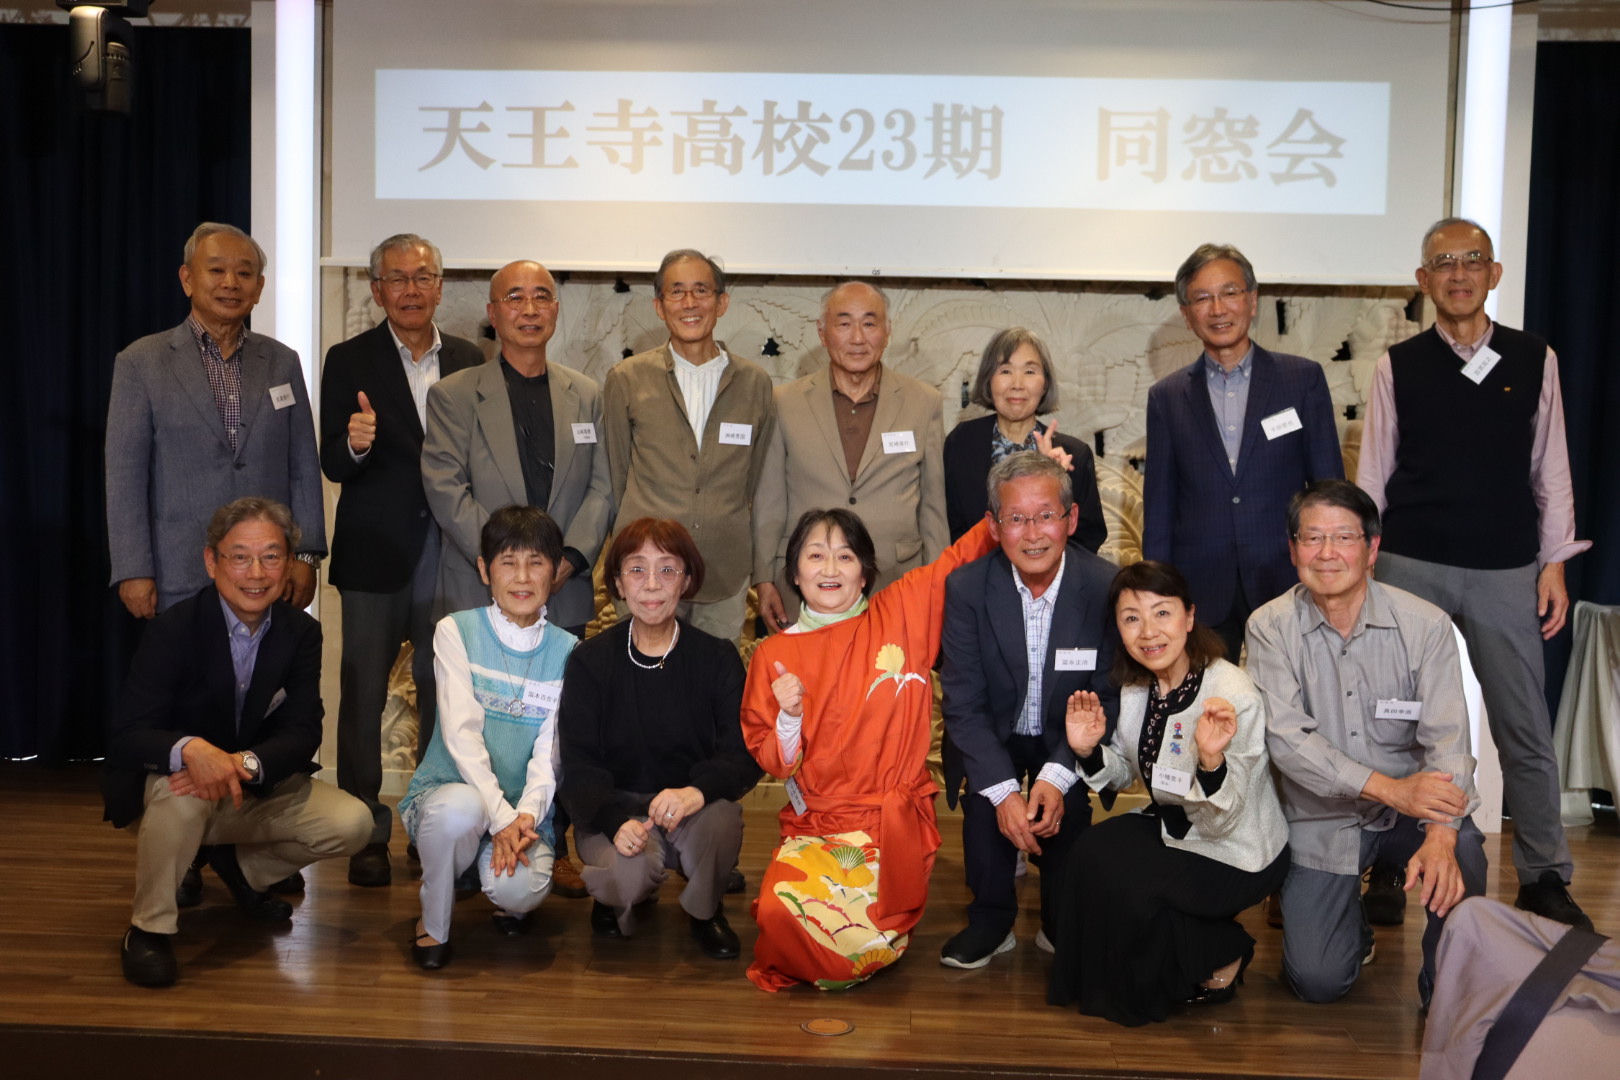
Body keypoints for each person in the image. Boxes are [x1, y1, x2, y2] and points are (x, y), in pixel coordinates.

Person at [1357, 218, 1591, 932]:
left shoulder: (1535, 356)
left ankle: (1544, 877)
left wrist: (1554, 563)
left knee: (1524, 727)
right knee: (1393, 724)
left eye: (1472, 261)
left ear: (1494, 273)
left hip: (1505, 564)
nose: (1458, 274)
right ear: (1423, 280)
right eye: (1443, 263)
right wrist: (1364, 566)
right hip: (1409, 562)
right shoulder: (1397, 365)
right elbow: (1374, 473)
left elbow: (1551, 468)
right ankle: (1388, 862)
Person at [104, 498, 371, 988]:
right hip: (176, 786)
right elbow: (127, 735)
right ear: (212, 561)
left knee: (354, 824)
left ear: (287, 565)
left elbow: (303, 729)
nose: (257, 572)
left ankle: (243, 872)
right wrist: (191, 750)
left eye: (271, 556)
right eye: (240, 557)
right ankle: (149, 929)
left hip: (251, 784)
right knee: (183, 796)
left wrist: (238, 763)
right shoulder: (173, 629)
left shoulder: (301, 632)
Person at [1247, 480, 1489, 1006]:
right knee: (1317, 981)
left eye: (1343, 537)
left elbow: (1449, 739)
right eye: (1312, 538)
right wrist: (1391, 789)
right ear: (1293, 550)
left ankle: (1446, 987)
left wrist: (1441, 833)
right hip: (1322, 815)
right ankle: (1351, 929)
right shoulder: (1269, 627)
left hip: (1410, 811)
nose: (1327, 553)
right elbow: (1288, 743)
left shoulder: (1425, 625)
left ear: (1372, 548)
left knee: (1465, 847)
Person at [422, 259, 614, 898]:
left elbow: (603, 488)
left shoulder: (587, 394)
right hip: (480, 584)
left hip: (565, 586)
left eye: (541, 297)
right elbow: (445, 487)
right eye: (515, 298)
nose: (529, 310)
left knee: (558, 730)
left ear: (556, 309)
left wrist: (565, 560)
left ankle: (548, 839)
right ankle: (462, 844)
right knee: (469, 722)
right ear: (493, 312)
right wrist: (511, 564)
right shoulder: (455, 394)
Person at [1049, 559, 1289, 1026]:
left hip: (1237, 848)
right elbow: (1125, 771)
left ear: (1189, 617)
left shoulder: (1232, 694)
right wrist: (1087, 750)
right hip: (1174, 825)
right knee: (1090, 852)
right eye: (1131, 618)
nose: (1148, 632)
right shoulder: (1139, 686)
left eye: (1162, 613)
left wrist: (1211, 761)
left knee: (1134, 887)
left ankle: (1224, 951)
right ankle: (1100, 981)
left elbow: (1222, 819)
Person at [319, 232, 482, 887]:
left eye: (423, 277)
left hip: (450, 553)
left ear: (439, 287)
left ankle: (433, 825)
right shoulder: (348, 359)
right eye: (397, 278)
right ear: (376, 288)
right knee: (363, 696)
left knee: (448, 697)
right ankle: (365, 832)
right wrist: (355, 444)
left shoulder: (470, 357)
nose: (411, 290)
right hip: (375, 556)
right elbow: (332, 460)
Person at [938, 451, 1118, 969]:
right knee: (985, 807)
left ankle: (1060, 921)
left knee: (1068, 810)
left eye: (1046, 515)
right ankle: (990, 923)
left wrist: (1057, 777)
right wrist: (1003, 794)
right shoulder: (967, 588)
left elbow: (1108, 692)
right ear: (994, 526)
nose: (1033, 533)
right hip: (993, 731)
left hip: (1068, 733)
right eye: (1016, 518)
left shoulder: (1105, 586)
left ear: (1072, 519)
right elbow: (964, 702)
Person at [557, 518, 761, 958]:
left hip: (689, 808)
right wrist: (614, 821)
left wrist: (695, 792)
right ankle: (619, 896)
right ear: (618, 582)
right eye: (637, 569)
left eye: (667, 569)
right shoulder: (590, 661)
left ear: (686, 580)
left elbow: (743, 752)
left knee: (723, 819)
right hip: (616, 807)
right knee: (624, 879)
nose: (652, 583)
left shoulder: (716, 657)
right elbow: (578, 765)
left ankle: (705, 910)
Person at [107, 222, 325, 618]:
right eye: (217, 270)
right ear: (187, 279)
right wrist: (133, 568)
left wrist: (306, 555)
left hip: (267, 572)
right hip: (178, 567)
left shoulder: (282, 361)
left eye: (244, 273)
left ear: (259, 288)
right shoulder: (141, 362)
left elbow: (303, 468)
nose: (231, 283)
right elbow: (125, 477)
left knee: (270, 660)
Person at [397, 505, 576, 971]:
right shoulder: (456, 631)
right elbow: (462, 735)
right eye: (507, 562)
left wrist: (523, 817)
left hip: (521, 811)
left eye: (536, 562)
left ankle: (504, 897)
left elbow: (549, 754)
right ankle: (433, 923)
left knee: (521, 891)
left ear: (555, 570)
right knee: (461, 808)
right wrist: (500, 817)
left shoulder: (569, 651)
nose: (523, 577)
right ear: (484, 569)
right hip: (455, 797)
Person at [1143, 242, 1342, 660]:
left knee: (1296, 692)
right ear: (1187, 314)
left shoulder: (1301, 379)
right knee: (1208, 695)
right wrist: (1157, 594)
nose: (1218, 309)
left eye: (1230, 293)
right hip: (1202, 583)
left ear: (1252, 301)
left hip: (1288, 575)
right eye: (1203, 298)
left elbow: (1329, 489)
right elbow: (1160, 507)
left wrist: (1336, 563)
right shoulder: (1167, 397)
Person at [752, 281, 948, 631]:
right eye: (844, 323)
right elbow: (769, 500)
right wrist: (764, 577)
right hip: (805, 584)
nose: (858, 338)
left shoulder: (923, 401)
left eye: (870, 323)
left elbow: (933, 506)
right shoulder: (784, 402)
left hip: (896, 580)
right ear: (822, 332)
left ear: (887, 331)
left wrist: (938, 582)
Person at [601, 250, 776, 641]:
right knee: (642, 675)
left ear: (722, 302)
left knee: (716, 676)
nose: (689, 302)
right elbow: (615, 476)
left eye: (701, 290)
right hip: (646, 575)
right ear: (659, 307)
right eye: (676, 292)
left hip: (723, 573)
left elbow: (757, 483)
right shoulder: (627, 379)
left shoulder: (755, 383)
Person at [942, 327, 1105, 551]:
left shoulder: (1073, 455)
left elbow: (1086, 541)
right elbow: (948, 526)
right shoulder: (961, 442)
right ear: (988, 380)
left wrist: (1054, 480)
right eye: (1005, 371)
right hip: (973, 569)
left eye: (1029, 371)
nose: (1017, 384)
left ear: (1045, 384)